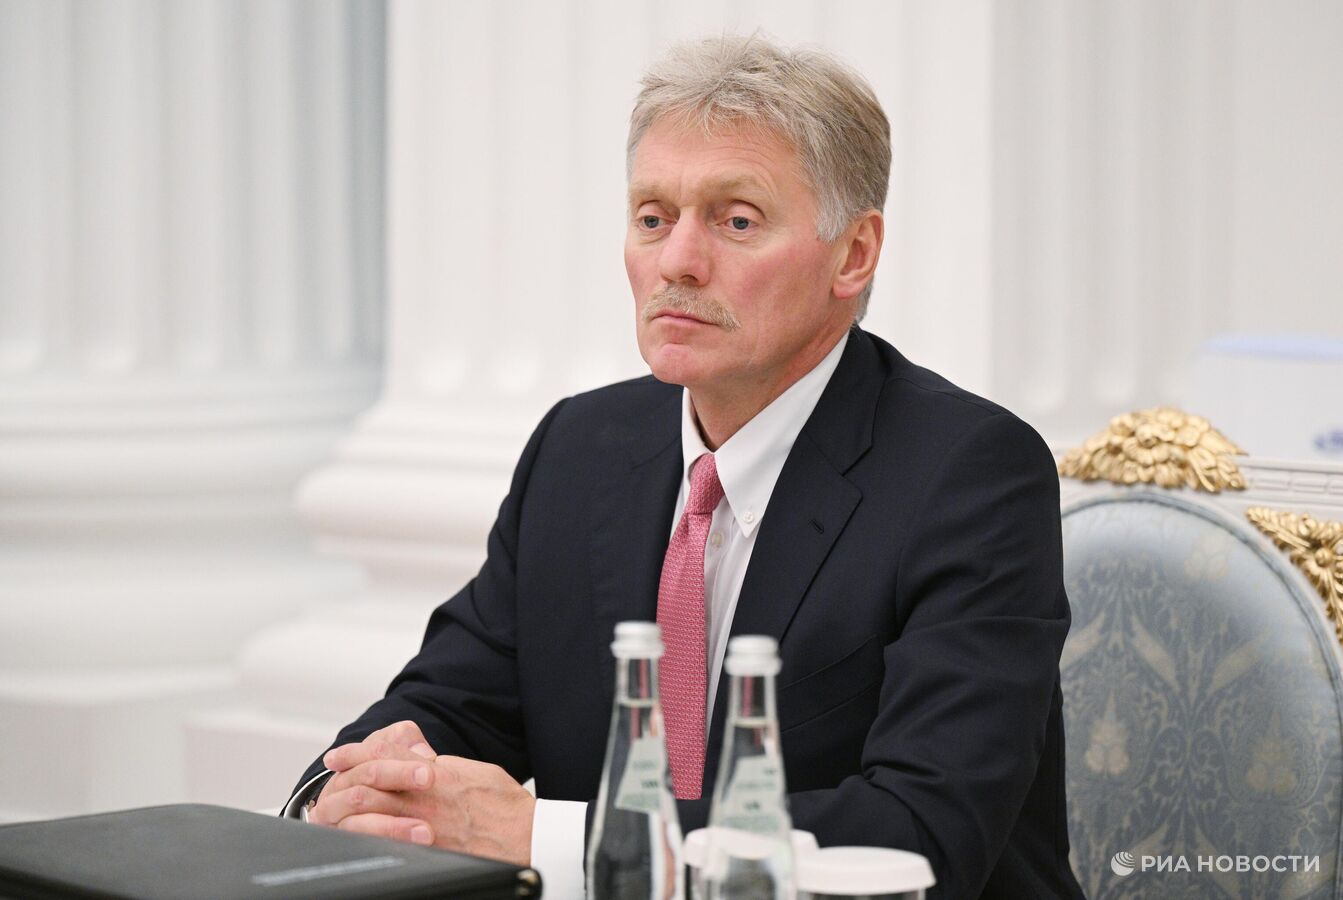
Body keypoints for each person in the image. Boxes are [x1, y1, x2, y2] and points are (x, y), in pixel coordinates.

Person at [284, 35, 1084, 900]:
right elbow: (448, 705)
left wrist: (545, 837)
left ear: (852, 255)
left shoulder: (969, 475)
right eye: (652, 217)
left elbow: (919, 832)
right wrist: (346, 793)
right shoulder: (579, 447)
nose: (677, 262)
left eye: (736, 220)